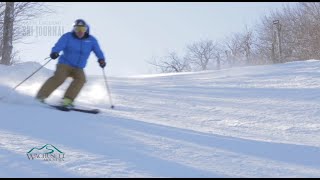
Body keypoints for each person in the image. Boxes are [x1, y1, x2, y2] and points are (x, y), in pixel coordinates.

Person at [36, 19, 106, 107]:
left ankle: (67, 100)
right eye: (77, 29)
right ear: (74, 29)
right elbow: (59, 45)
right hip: (65, 64)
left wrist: (101, 59)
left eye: (83, 29)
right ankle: (40, 96)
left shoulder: (91, 40)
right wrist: (55, 52)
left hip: (78, 67)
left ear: (86, 30)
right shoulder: (68, 37)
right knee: (59, 78)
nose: (80, 32)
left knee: (81, 79)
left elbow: (98, 51)